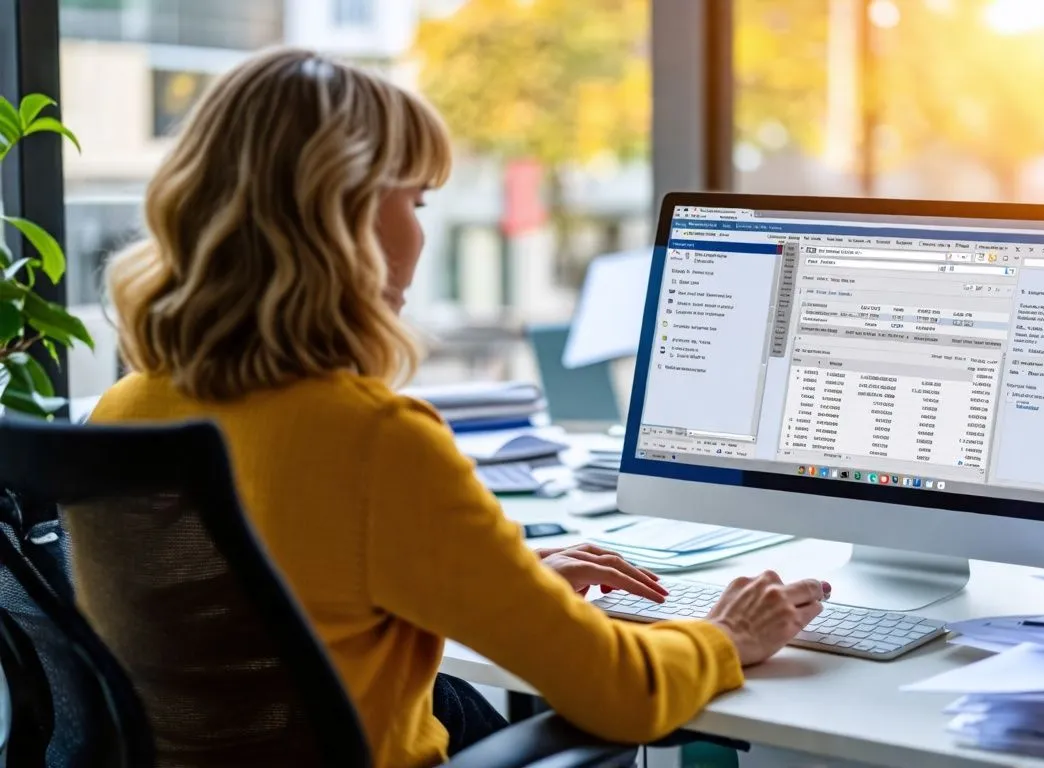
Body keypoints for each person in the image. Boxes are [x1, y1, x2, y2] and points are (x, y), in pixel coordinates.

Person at [90, 48, 829, 767]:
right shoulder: (373, 439)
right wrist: (727, 635)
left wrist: (499, 579)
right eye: (414, 201)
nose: (420, 231)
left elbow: (273, 616)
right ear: (340, 221)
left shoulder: (123, 413)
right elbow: (622, 694)